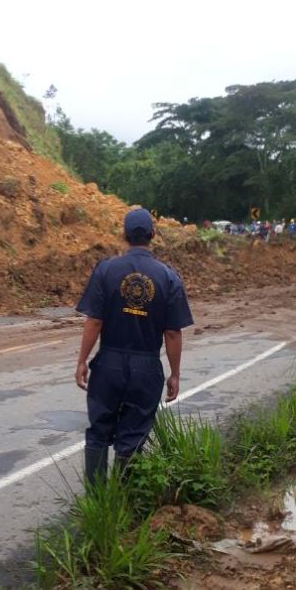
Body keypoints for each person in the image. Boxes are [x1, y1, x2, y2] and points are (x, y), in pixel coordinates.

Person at [75, 207, 194, 485]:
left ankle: (97, 500)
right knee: (132, 437)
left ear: (124, 235)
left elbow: (94, 321)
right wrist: (174, 374)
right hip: (146, 366)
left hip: (108, 364)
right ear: (153, 235)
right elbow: (173, 332)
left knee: (98, 432)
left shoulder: (105, 270)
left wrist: (82, 360)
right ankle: (123, 500)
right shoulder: (168, 277)